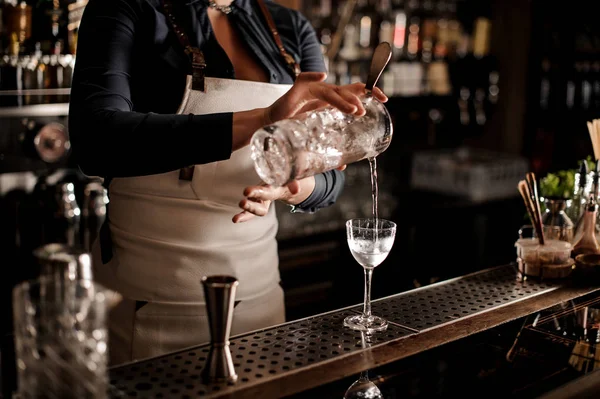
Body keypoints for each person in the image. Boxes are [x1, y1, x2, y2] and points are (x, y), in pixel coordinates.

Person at [68, 0, 388, 365]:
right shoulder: (128, 8)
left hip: (261, 300)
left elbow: (330, 177)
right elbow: (97, 140)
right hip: (150, 300)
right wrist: (264, 118)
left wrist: (289, 187)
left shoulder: (290, 27)